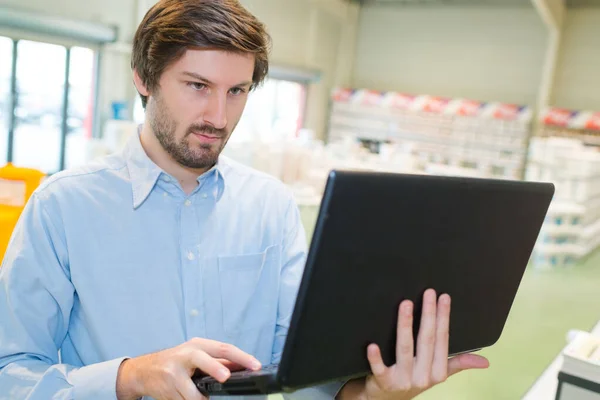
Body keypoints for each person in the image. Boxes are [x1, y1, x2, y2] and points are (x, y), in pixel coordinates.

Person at [0, 0, 489, 399]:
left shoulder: (270, 205)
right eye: (198, 86)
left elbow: (299, 365)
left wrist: (373, 393)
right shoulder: (62, 207)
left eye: (237, 91)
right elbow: (11, 371)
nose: (218, 115)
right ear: (144, 79)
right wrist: (129, 376)